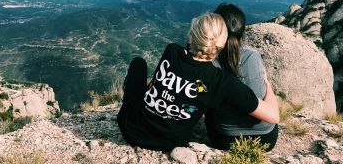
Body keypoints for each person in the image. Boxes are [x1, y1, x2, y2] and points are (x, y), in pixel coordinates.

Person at [117, 12, 279, 151]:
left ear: (191, 34)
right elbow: (273, 117)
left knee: (138, 63)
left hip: (131, 130)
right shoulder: (220, 81)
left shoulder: (172, 51)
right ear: (222, 44)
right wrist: (268, 85)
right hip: (171, 143)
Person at [205, 4, 279, 151]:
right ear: (242, 30)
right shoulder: (252, 56)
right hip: (264, 140)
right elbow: (271, 111)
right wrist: (269, 87)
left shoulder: (209, 61)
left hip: (224, 139)